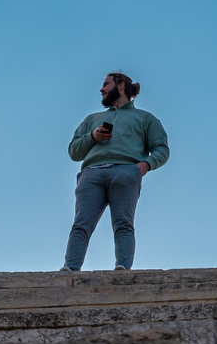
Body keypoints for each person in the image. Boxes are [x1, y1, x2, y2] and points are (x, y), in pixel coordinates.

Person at [61, 71, 169, 271]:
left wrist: (143, 166)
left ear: (121, 86)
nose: (101, 89)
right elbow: (74, 152)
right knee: (81, 224)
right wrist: (92, 136)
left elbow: (162, 149)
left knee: (123, 224)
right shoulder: (92, 119)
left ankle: (123, 269)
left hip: (126, 172)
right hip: (91, 173)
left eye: (106, 84)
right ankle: (70, 270)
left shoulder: (146, 118)